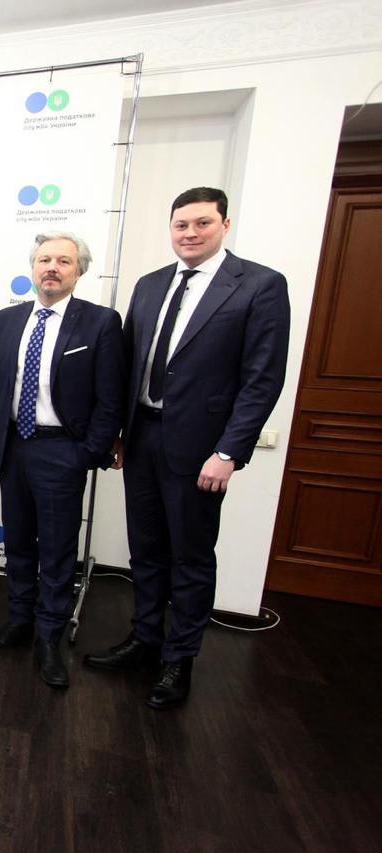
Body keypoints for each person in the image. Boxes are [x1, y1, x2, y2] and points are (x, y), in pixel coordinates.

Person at [84, 187, 290, 710]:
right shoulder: (150, 284)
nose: (190, 233)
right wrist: (119, 432)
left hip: (202, 449)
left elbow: (262, 379)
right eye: (181, 225)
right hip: (143, 437)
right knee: (146, 549)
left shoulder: (259, 285)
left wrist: (229, 452)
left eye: (202, 223)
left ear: (225, 225)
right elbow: (129, 364)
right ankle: (144, 639)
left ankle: (179, 659)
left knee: (191, 557)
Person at [0, 233, 125, 688]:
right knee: (18, 542)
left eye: (63, 261)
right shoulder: (7, 319)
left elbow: (110, 397)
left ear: (79, 270)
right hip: (14, 447)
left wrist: (87, 453)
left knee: (57, 550)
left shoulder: (100, 322)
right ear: (33, 267)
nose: (52, 268)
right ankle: (20, 621)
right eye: (44, 260)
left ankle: (48, 637)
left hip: (63, 450)